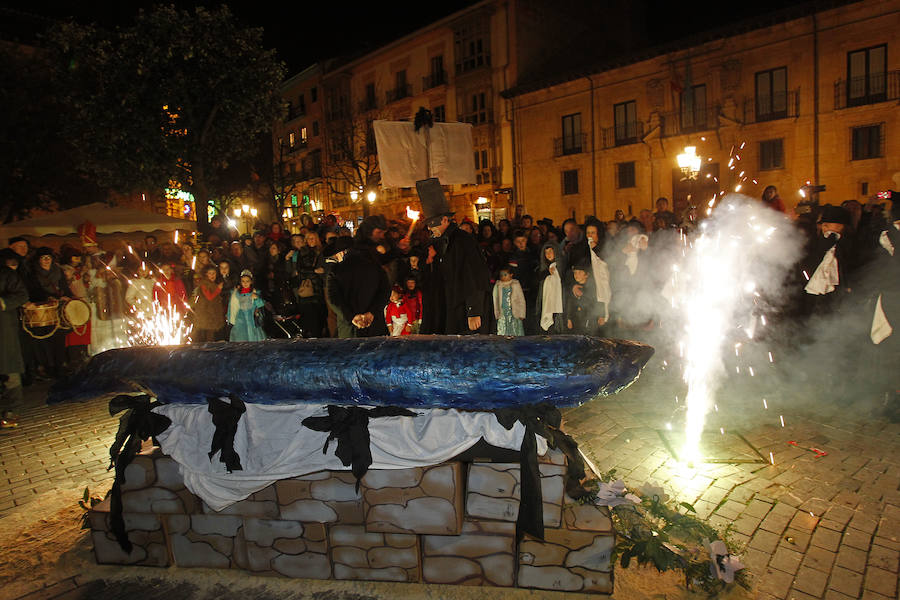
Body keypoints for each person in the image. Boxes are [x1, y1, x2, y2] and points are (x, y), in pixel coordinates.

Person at [419, 179, 491, 334]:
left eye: (433, 223)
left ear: (445, 220)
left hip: (463, 309)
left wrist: (473, 310)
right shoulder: (436, 242)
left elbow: (475, 274)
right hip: (447, 308)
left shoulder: (463, 240)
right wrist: (429, 262)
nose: (430, 228)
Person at [328, 216, 391, 337]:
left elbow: (334, 299)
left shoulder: (335, 270)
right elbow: (384, 290)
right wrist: (372, 312)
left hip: (350, 329)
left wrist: (351, 316)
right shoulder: (375, 265)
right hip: (374, 326)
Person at [0, 248, 28, 427]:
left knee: (9, 369)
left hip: (4, 330)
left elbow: (22, 294)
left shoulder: (7, 274)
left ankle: (13, 411)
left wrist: (3, 302)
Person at [226, 270, 266, 342]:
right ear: (240, 282)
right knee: (241, 337)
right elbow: (233, 306)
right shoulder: (237, 293)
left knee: (253, 335)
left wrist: (257, 298)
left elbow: (261, 305)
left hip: (252, 317)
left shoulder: (255, 292)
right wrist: (231, 318)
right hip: (241, 318)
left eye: (247, 281)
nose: (245, 283)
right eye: (243, 281)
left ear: (251, 282)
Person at [192, 265, 225, 342]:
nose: (212, 275)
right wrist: (218, 289)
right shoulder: (204, 284)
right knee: (207, 334)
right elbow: (209, 297)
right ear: (206, 274)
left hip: (211, 314)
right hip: (206, 315)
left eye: (214, 273)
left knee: (210, 334)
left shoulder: (212, 284)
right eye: (210, 273)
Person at [536, 243, 564, 334]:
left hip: (559, 303)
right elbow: (537, 280)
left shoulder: (561, 266)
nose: (548, 254)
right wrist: (546, 272)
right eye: (546, 252)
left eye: (551, 252)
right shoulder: (543, 268)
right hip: (545, 303)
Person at [492, 266, 526, 336]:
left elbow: (521, 299)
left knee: (515, 329)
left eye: (505, 275)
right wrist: (497, 313)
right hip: (503, 313)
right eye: (501, 275)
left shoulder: (515, 284)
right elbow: (495, 299)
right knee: (503, 329)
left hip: (514, 313)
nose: (503, 277)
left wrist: (522, 313)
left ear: (511, 274)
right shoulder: (498, 285)